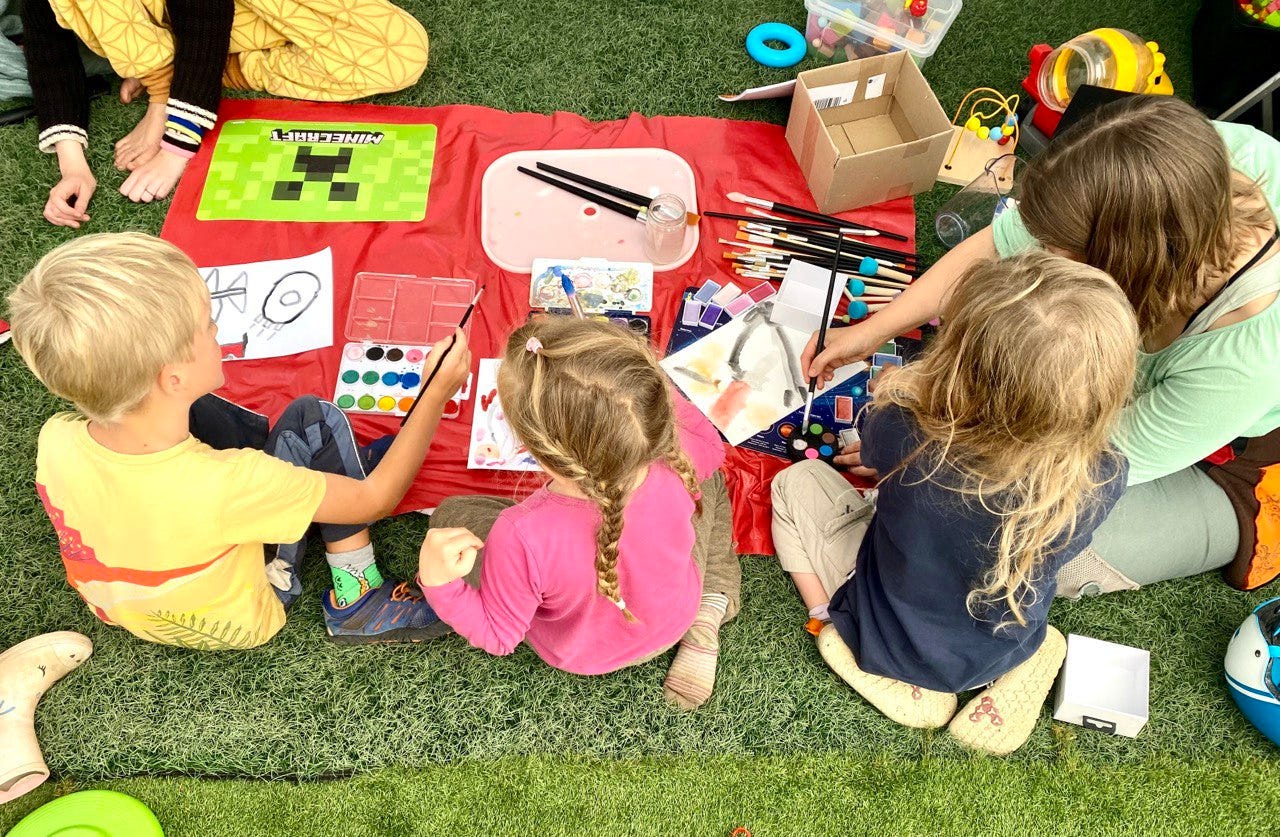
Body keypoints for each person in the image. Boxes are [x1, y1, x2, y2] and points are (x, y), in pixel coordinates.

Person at [804, 96, 1280, 596]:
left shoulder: (1247, 358)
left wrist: (925, 449)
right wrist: (874, 329)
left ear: (1128, 262)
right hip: (1127, 371)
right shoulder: (1191, 159)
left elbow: (1091, 462)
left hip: (1236, 455)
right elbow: (998, 245)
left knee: (1021, 540)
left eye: (1062, 250)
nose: (1039, 255)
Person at [7, 232, 470, 649]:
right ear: (172, 377)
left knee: (206, 413)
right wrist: (434, 393)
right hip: (240, 612)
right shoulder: (233, 484)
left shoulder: (57, 437)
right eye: (208, 326)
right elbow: (375, 500)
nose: (218, 332)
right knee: (315, 420)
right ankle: (359, 598)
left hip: (127, 605)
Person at [772, 252, 1138, 754]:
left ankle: (830, 620)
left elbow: (880, 455)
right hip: (1004, 643)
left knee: (796, 483)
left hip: (888, 634)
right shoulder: (1105, 474)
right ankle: (1030, 658)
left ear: (957, 357)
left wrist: (895, 404)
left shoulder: (904, 428)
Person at [416, 317, 742, 710]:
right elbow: (709, 447)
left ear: (539, 453)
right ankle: (710, 609)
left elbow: (500, 636)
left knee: (455, 511)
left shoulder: (521, 535)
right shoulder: (679, 453)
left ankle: (707, 609)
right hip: (675, 617)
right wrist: (624, 380)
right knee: (710, 483)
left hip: (585, 654)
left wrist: (439, 584)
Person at [22, 0, 429, 226]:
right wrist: (71, 164)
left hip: (226, 15)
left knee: (400, 53)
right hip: (148, 22)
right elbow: (48, 51)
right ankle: (166, 77)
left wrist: (176, 146)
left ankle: (189, 76)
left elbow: (203, 15)